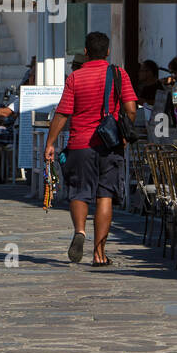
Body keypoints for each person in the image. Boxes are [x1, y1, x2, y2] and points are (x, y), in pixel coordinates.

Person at [44, 31, 137, 267]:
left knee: (78, 191)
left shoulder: (75, 77)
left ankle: (80, 231)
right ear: (107, 51)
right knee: (104, 195)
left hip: (80, 145)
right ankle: (99, 254)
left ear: (85, 53)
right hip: (109, 145)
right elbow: (131, 109)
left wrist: (50, 143)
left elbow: (63, 113)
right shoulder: (119, 73)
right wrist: (124, 133)